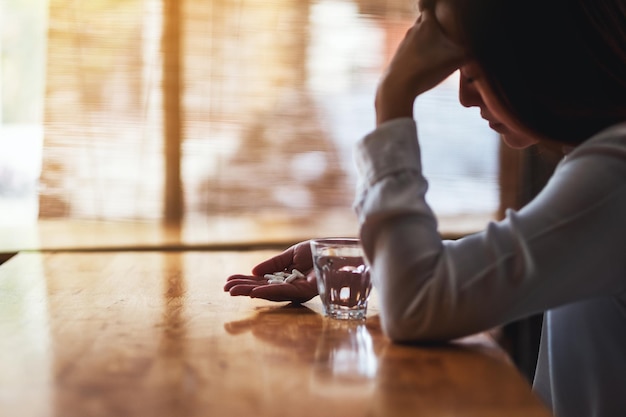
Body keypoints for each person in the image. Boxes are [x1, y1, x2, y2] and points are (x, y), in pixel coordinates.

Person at [225, 0, 626, 415]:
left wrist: (394, 95)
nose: (466, 97)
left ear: (537, 54)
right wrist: (373, 260)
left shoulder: (615, 173)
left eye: (471, 70)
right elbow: (509, 265)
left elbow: (416, 308)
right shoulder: (601, 167)